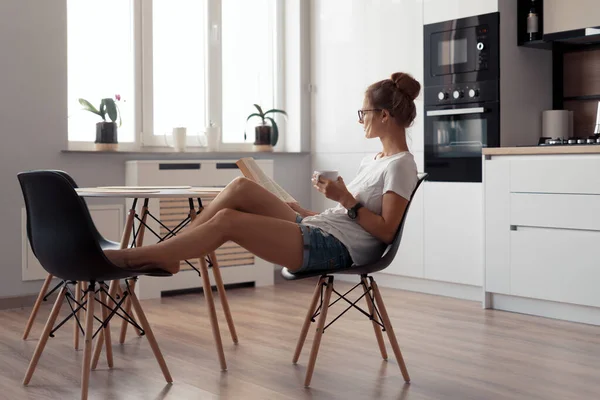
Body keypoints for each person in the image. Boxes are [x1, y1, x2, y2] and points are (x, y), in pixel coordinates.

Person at [105, 72, 420, 274]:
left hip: (334, 249)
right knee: (241, 187)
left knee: (228, 221)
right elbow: (350, 219)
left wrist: (345, 199)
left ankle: (140, 256)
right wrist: (306, 211)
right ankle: (167, 254)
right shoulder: (374, 159)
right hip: (320, 229)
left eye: (363, 112)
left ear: (384, 115)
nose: (361, 118)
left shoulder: (401, 165)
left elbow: (385, 232)